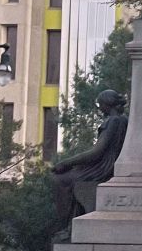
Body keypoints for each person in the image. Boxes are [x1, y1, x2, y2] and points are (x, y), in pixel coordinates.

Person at [52, 90, 128, 241]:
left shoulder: (113, 121)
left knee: (60, 179)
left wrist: (66, 162)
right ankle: (71, 225)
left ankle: (66, 226)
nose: (99, 108)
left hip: (103, 168)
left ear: (107, 104)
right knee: (69, 176)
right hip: (109, 164)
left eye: (100, 104)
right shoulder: (124, 120)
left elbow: (96, 152)